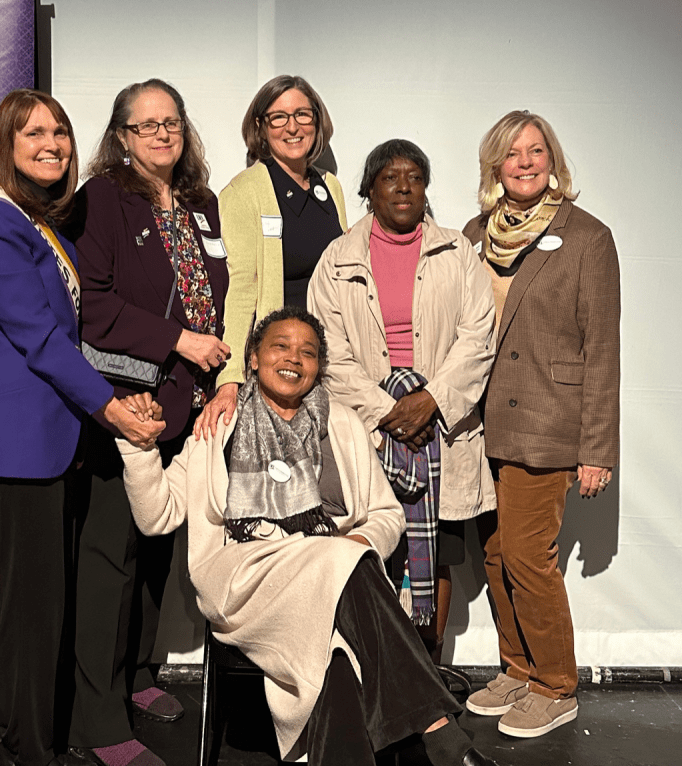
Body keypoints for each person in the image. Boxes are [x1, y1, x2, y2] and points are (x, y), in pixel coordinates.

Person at [115, 306, 499, 766]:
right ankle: (437, 730)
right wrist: (139, 448)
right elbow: (158, 517)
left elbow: (386, 514)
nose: (294, 358)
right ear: (253, 358)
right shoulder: (218, 424)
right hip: (243, 575)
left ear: (319, 367)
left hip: (331, 578)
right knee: (341, 564)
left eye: (308, 352)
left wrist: (361, 542)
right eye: (280, 346)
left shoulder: (344, 425)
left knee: (339, 654)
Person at [0, 88, 163, 766]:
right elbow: (40, 341)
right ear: (6, 145)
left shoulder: (33, 219)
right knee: (29, 615)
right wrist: (112, 408)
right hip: (16, 446)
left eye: (62, 132)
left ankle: (26, 742)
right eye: (35, 133)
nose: (53, 144)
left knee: (44, 609)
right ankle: (22, 750)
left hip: (48, 442)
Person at [70, 78, 229, 766]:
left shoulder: (201, 203)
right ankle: (96, 720)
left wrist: (216, 379)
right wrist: (178, 341)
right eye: (147, 125)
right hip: (125, 402)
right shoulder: (102, 199)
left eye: (172, 123)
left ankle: (138, 676)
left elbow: (220, 295)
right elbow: (91, 305)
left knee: (160, 552)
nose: (162, 134)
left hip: (187, 406)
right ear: (122, 137)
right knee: (113, 560)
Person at [462, 110, 620, 738]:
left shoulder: (586, 237)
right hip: (480, 424)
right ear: (494, 166)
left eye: (536, 151)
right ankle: (519, 669)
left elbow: (603, 349)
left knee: (529, 555)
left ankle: (557, 685)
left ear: (552, 160)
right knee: (496, 555)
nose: (525, 162)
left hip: (550, 422)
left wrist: (598, 449)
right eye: (511, 153)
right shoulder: (474, 234)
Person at [308, 139, 496, 662]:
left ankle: (426, 669)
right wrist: (388, 409)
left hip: (442, 429)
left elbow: (478, 335)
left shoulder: (457, 251)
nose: (404, 186)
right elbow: (327, 351)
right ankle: (381, 673)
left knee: (434, 554)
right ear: (370, 190)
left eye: (414, 176)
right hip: (370, 427)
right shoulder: (338, 258)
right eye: (390, 177)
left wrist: (431, 400)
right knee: (373, 546)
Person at [195, 75, 347, 438]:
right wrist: (229, 379)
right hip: (281, 369)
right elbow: (240, 290)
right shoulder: (244, 192)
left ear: (317, 121)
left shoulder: (332, 186)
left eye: (302, 115)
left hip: (331, 362)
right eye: (278, 117)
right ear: (261, 128)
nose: (292, 127)